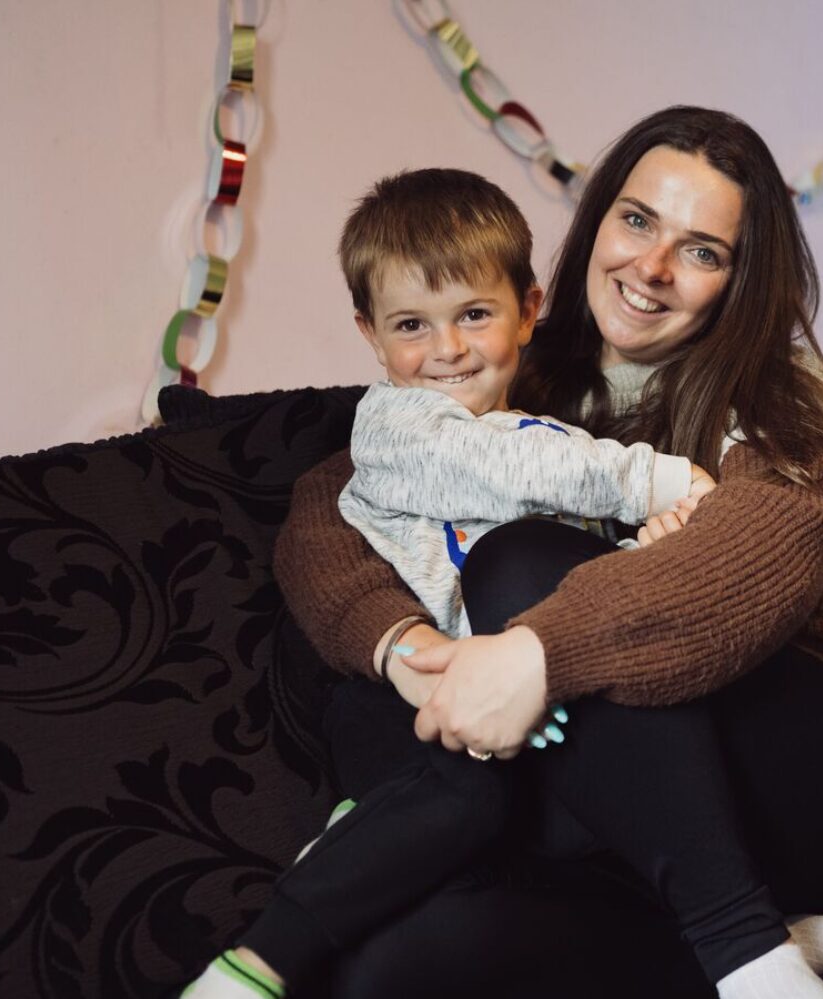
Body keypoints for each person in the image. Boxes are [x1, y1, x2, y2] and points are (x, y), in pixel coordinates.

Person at [267, 107, 823, 998]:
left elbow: (760, 552)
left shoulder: (782, 401)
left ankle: (748, 950)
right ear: (596, 220)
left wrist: (538, 648)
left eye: (703, 251)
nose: (653, 268)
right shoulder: (505, 359)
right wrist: (402, 644)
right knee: (391, 964)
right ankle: (798, 942)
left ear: (739, 280)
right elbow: (334, 502)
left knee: (515, 562)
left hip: (805, 771)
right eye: (636, 220)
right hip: (627, 813)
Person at [185, 167, 729, 998]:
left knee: (588, 808)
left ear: (529, 308)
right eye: (412, 324)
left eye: (474, 314)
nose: (446, 348)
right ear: (370, 333)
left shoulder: (547, 436)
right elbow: (496, 468)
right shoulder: (401, 425)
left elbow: (574, 578)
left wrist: (644, 545)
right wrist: (654, 482)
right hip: (398, 700)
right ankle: (256, 962)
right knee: (469, 796)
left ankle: (757, 931)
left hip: (503, 704)